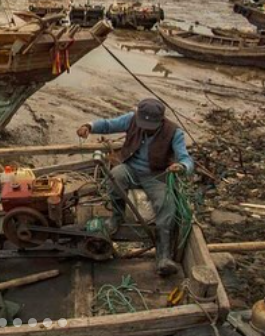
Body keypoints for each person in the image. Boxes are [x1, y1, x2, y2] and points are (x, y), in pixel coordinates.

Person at [77, 98, 194, 276]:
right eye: (143, 123)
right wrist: (89, 126)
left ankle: (163, 255)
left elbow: (186, 158)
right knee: (115, 176)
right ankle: (117, 217)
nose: (145, 127)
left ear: (160, 121)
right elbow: (109, 124)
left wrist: (182, 166)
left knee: (166, 204)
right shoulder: (132, 119)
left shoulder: (174, 132)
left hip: (156, 175)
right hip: (130, 168)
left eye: (150, 125)